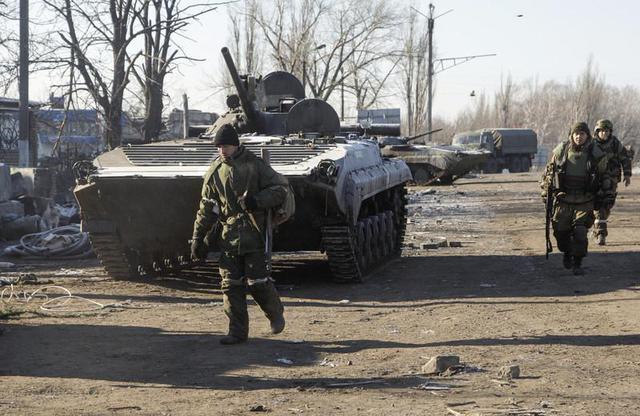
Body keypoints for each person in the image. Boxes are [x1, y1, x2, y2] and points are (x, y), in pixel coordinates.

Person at [191, 124, 288, 345]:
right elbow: (206, 209)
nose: (222, 150)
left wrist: (257, 200)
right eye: (218, 146)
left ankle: (275, 314)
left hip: (253, 232)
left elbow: (280, 189)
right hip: (229, 235)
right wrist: (198, 237)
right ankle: (237, 332)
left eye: (225, 145)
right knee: (230, 284)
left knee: (258, 282)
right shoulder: (215, 172)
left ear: (235, 145)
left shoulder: (255, 165)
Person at [541, 122, 612, 275]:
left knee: (580, 232)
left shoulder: (596, 153)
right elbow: (549, 173)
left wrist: (605, 192)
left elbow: (605, 174)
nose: (579, 137)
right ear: (572, 135)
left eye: (582, 134)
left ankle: (578, 262)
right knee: (561, 233)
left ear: (587, 136)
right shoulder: (561, 151)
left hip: (584, 200)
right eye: (576, 134)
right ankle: (567, 252)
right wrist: (546, 191)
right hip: (563, 200)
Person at [591, 119, 633, 245]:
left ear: (610, 132)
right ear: (597, 132)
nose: (604, 133)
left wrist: (627, 174)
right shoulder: (591, 144)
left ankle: (598, 224)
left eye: (606, 131)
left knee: (607, 204)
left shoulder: (614, 143)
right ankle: (600, 233)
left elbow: (624, 158)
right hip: (595, 179)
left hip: (611, 179)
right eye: (601, 131)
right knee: (598, 205)